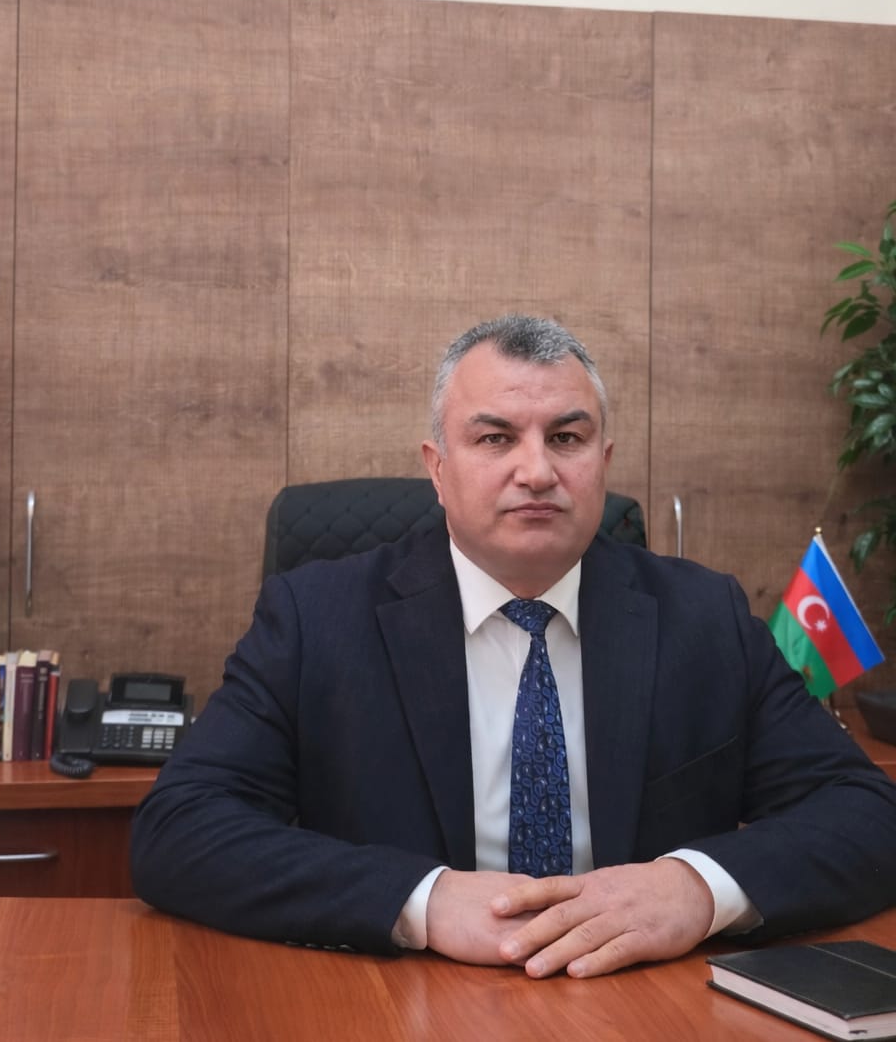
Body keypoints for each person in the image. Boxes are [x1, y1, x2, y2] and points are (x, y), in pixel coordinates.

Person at [131, 314, 896, 978]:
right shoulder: (316, 618)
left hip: (641, 1000)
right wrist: (422, 900)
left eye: (567, 437)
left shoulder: (703, 617)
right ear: (437, 468)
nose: (537, 470)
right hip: (401, 1000)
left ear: (602, 462)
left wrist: (696, 886)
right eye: (495, 436)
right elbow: (179, 827)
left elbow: (868, 813)